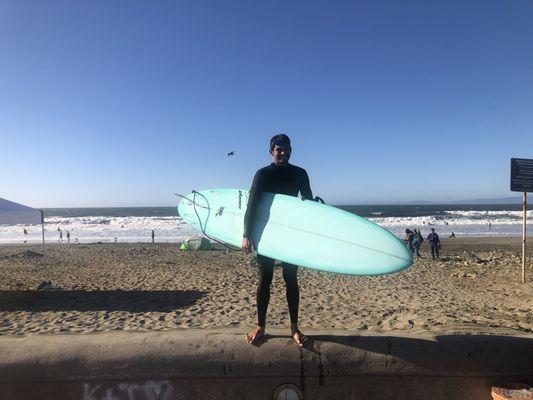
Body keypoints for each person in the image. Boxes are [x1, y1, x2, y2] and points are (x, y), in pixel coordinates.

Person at [242, 134, 313, 347]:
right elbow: (252, 205)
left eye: (286, 149)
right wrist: (247, 234)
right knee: (265, 280)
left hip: (290, 234)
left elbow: (308, 202)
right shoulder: (263, 174)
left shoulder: (300, 173)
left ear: (291, 150)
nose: (283, 152)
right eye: (278, 149)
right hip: (267, 234)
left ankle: (294, 327)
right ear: (271, 151)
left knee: (291, 280)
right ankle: (261, 326)